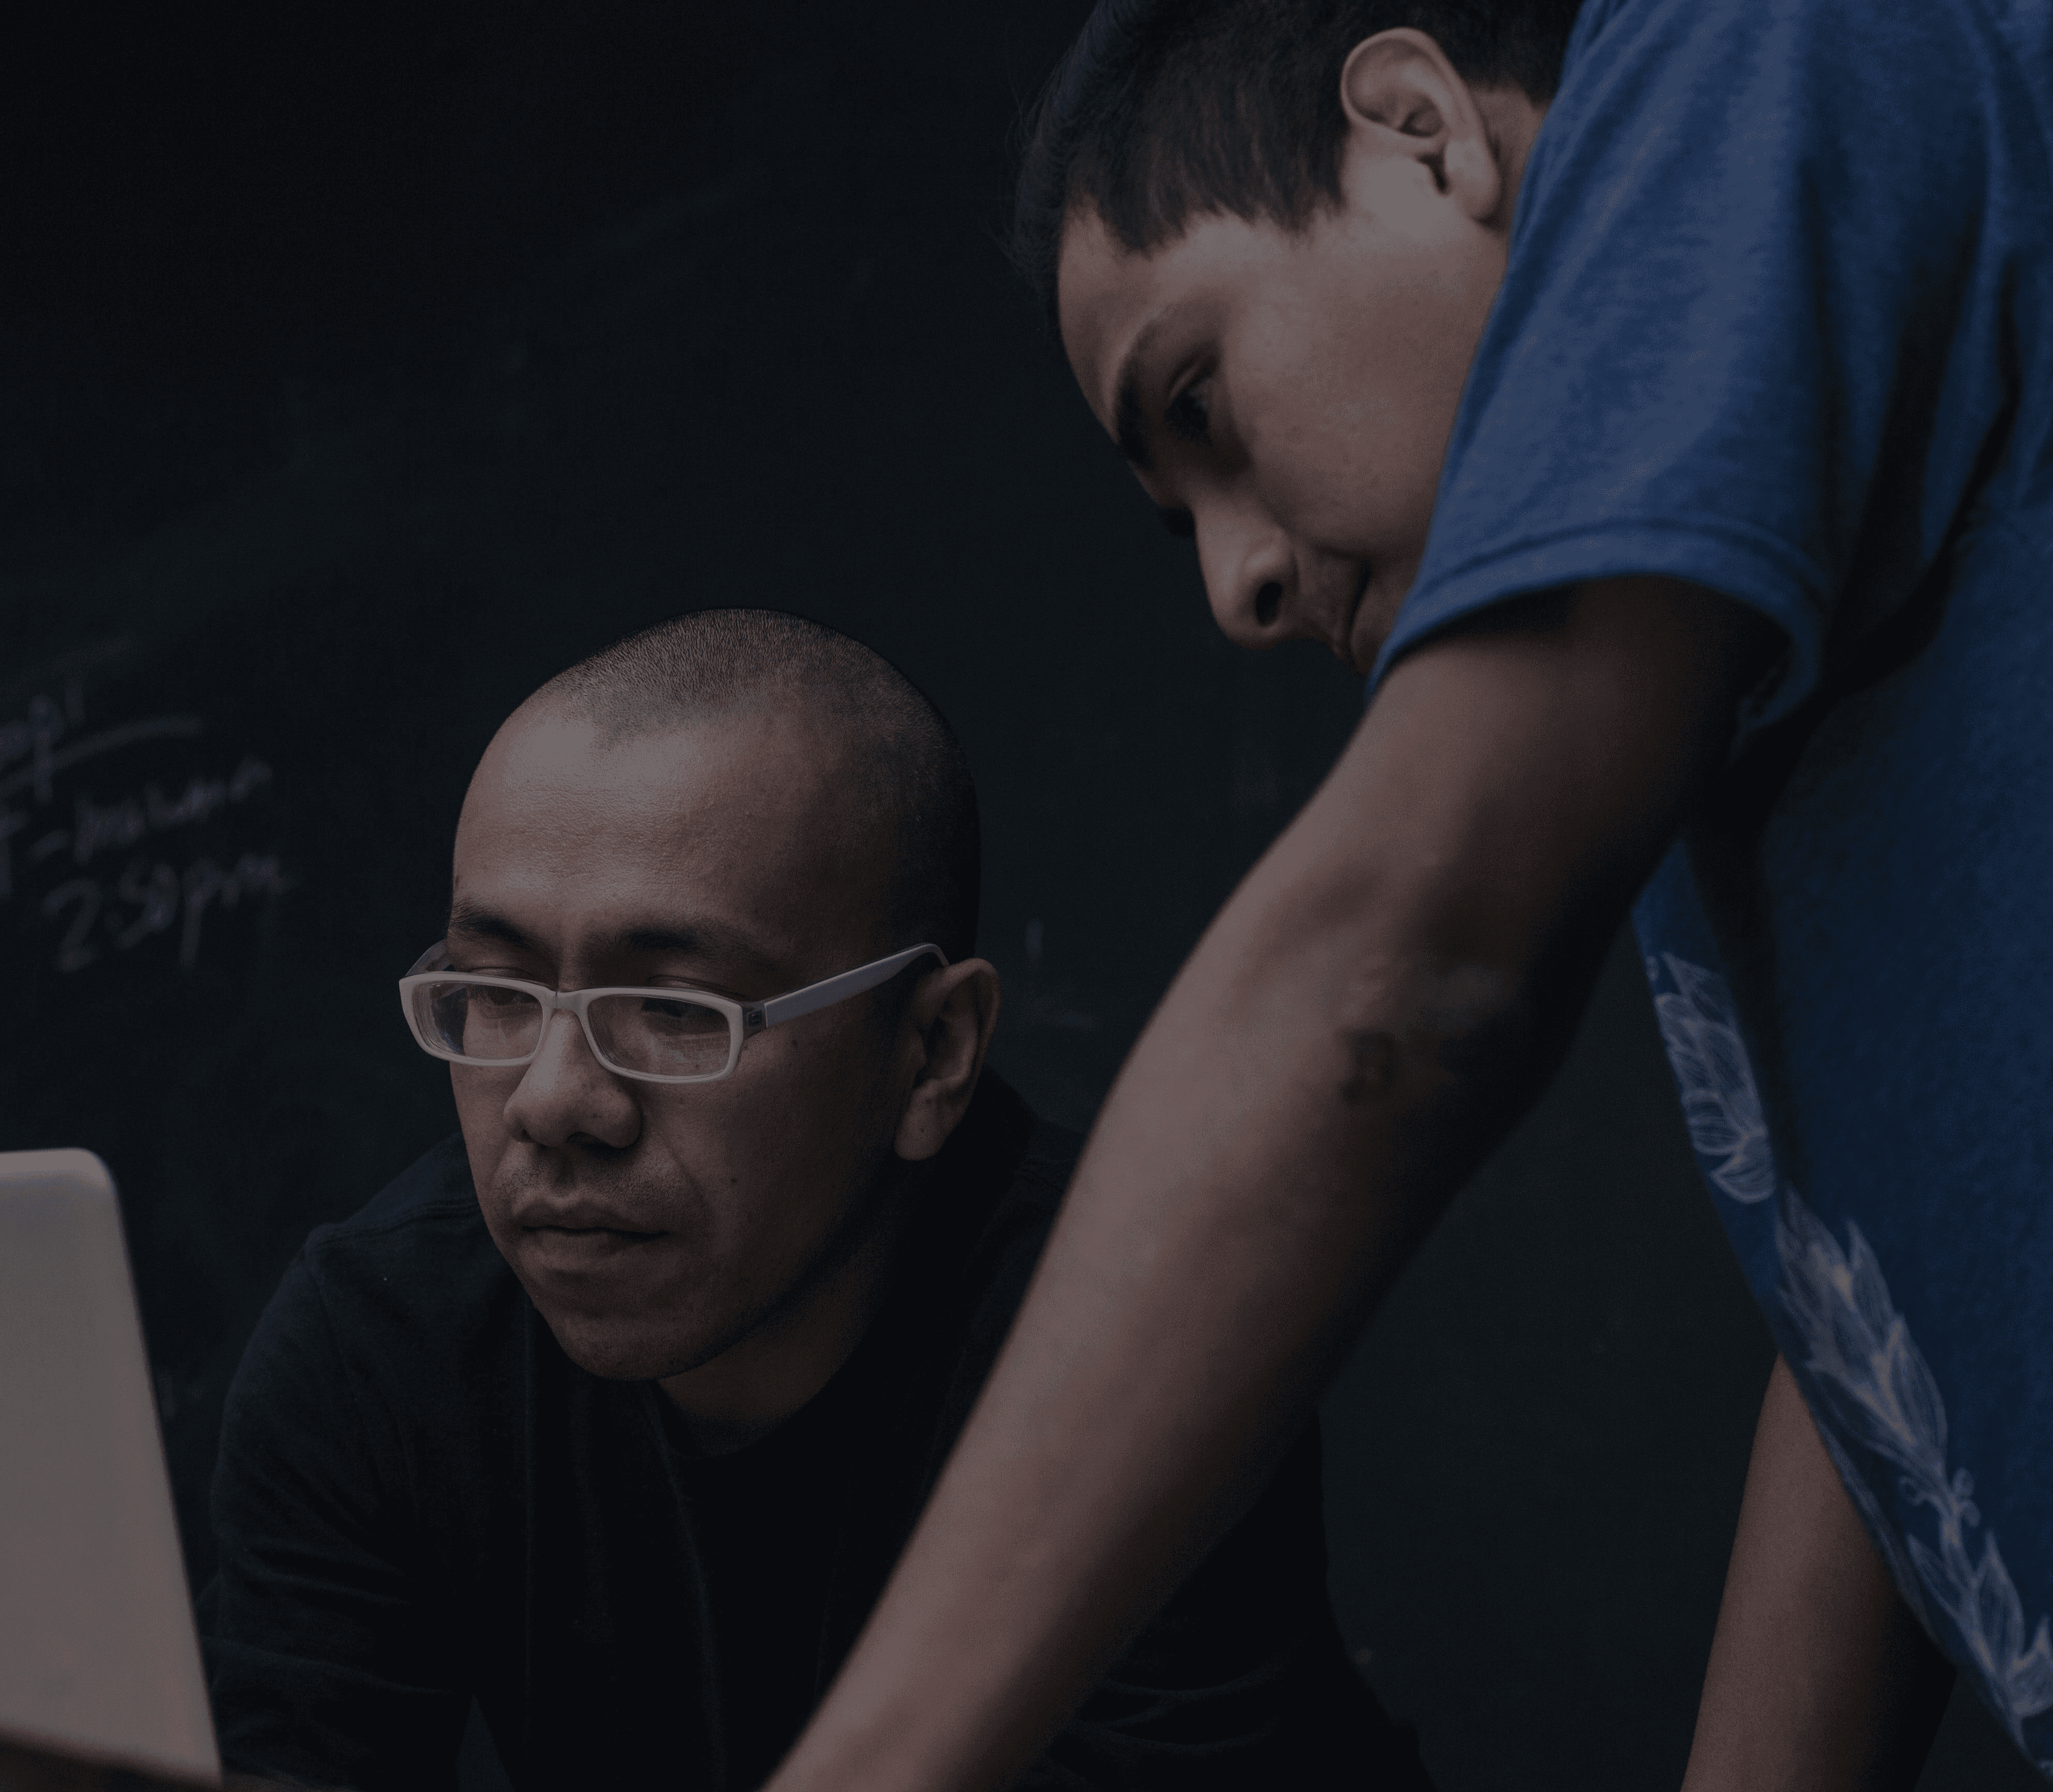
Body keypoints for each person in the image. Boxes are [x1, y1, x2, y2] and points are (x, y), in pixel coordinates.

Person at [757, 2, 2052, 1789]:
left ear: (1415, 124)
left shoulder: (1751, 46)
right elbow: (1861, 1325)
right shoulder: (1725, 700)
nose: (1234, 584)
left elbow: (1390, 990)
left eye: (1199, 406)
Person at [199, 609, 1432, 1791]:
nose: (552, 1102)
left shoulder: (1134, 1348)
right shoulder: (380, 1349)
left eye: (680, 1011)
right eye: (498, 995)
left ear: (933, 1053)